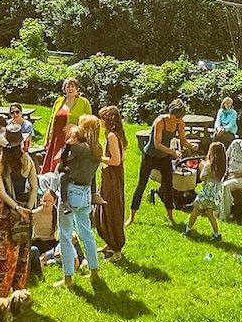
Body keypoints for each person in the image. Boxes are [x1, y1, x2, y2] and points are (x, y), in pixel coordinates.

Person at [0, 124, 38, 297]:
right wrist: (28, 209)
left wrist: (17, 208)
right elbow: (34, 187)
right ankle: (17, 294)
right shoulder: (27, 160)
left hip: (4, 213)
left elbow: (1, 192)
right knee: (20, 251)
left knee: (0, 253)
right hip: (23, 211)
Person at [127, 100, 195, 226]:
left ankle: (171, 216)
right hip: (150, 156)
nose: (179, 119)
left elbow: (183, 140)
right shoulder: (160, 122)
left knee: (168, 185)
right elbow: (157, 144)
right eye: (177, 116)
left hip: (164, 158)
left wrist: (191, 146)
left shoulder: (180, 123)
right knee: (142, 184)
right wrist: (172, 152)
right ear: (171, 113)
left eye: (181, 117)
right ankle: (132, 216)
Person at [55, 115, 102, 288]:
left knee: (65, 235)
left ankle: (68, 278)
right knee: (86, 233)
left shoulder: (79, 148)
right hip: (86, 193)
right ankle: (94, 271)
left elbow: (60, 159)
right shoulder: (98, 149)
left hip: (71, 191)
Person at [94, 105, 127, 259]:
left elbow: (116, 160)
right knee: (107, 208)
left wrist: (98, 157)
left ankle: (117, 250)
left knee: (111, 208)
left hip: (113, 176)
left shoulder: (112, 136)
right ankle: (110, 241)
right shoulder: (117, 134)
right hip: (112, 175)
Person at [41, 78, 92, 174]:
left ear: (77, 89)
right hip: (57, 138)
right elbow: (52, 120)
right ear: (64, 89)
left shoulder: (84, 102)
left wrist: (76, 127)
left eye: (73, 86)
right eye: (68, 86)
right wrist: (47, 139)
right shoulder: (59, 101)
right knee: (52, 165)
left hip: (73, 139)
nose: (70, 89)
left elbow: (90, 122)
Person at [185, 141, 225, 240]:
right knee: (210, 214)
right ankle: (217, 234)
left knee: (195, 210)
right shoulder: (222, 167)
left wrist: (202, 166)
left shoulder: (208, 165)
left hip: (206, 193)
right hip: (214, 195)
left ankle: (188, 229)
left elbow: (202, 177)